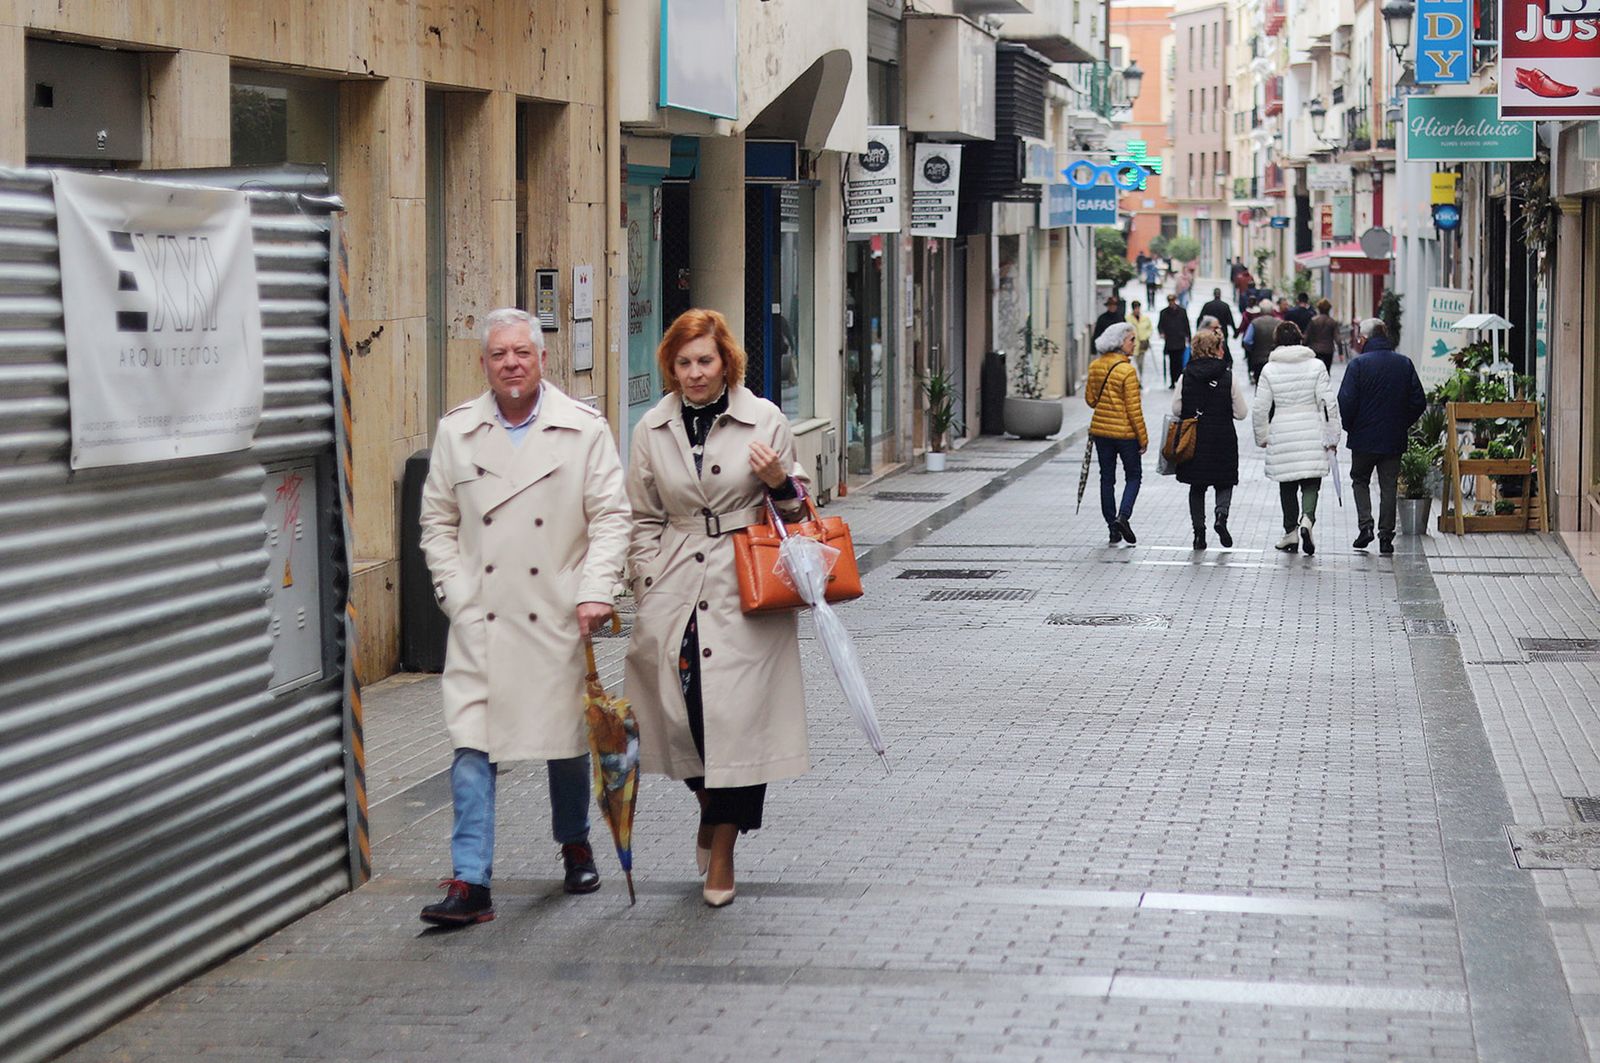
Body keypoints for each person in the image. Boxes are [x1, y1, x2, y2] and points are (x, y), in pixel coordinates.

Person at [417, 308, 632, 926]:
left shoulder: (582, 428)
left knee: (562, 741)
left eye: (522, 353)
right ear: (483, 364)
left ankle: (574, 842)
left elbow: (611, 518)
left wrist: (595, 591)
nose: (511, 363)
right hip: (481, 617)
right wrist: (456, 594)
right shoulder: (457, 431)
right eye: (498, 354)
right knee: (469, 745)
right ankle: (470, 880)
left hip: (556, 612)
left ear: (542, 359)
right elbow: (436, 523)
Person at [624, 308, 812, 909]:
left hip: (745, 585)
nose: (695, 373)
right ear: (670, 367)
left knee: (740, 722)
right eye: (683, 363)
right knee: (680, 715)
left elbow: (803, 515)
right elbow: (640, 516)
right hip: (675, 582)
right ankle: (709, 809)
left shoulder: (764, 420)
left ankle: (723, 849)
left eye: (705, 361)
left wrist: (780, 480)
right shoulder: (652, 428)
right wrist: (647, 575)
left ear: (725, 361)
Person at [1339, 318, 1427, 554]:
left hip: (1363, 439)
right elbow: (1419, 400)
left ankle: (1365, 526)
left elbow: (1345, 401)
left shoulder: (1358, 366)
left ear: (1365, 339)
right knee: (1389, 486)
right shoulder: (1404, 364)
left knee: (1360, 480)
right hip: (1392, 438)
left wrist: (1351, 426)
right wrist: (1401, 422)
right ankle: (1386, 537)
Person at [1252, 321, 1334, 555]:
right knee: (1311, 481)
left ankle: (1290, 533)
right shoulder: (1316, 366)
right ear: (1301, 338)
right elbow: (1327, 402)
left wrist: (1262, 436)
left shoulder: (1270, 369)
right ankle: (1307, 519)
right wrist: (1332, 436)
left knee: (1286, 483)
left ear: (1276, 341)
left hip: (1283, 427)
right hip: (1311, 427)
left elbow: (1260, 407)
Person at [1172, 329, 1247, 549]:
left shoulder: (1186, 375)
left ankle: (1199, 534)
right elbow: (1241, 412)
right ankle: (1221, 517)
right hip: (1223, 436)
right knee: (1224, 481)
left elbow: (1176, 408)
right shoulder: (1228, 375)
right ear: (1215, 349)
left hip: (1195, 439)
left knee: (1197, 486)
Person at [1086, 322, 1147, 545]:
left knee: (1107, 478)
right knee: (1134, 476)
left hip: (1101, 432)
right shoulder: (1127, 370)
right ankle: (1124, 516)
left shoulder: (1095, 366)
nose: (1134, 344)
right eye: (1131, 340)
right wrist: (1143, 437)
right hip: (1125, 435)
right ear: (1120, 342)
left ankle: (1112, 527)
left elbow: (1091, 400)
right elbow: (1133, 409)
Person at [1240, 299, 1281, 385]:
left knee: (1260, 385)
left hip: (1258, 359)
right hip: (1276, 358)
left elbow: (1247, 341)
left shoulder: (1255, 323)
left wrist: (1252, 350)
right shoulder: (1279, 323)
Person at [1157, 292, 1191, 388]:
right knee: (1172, 362)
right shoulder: (1163, 313)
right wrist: (1162, 333)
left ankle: (1179, 380)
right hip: (1170, 341)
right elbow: (1160, 326)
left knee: (1180, 362)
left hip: (1180, 340)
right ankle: (1173, 381)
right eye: (1170, 301)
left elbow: (1186, 325)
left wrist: (1189, 337)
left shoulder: (1182, 311)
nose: (1171, 303)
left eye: (1172, 301)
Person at [1303, 299, 1339, 372]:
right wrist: (1341, 352)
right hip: (1328, 350)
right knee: (1327, 370)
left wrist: (1304, 346)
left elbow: (1307, 336)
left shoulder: (1313, 321)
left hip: (1315, 349)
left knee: (1315, 370)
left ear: (1319, 309)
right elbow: (1337, 338)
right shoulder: (1332, 322)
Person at [1126, 299, 1155, 384]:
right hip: (1132, 345)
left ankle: (1140, 380)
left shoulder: (1145, 319)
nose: (1137, 310)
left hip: (1142, 344)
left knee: (1140, 364)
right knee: (1133, 363)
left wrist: (1146, 336)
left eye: (1138, 308)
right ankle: (1135, 380)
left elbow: (1150, 329)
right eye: (1135, 308)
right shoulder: (1128, 319)